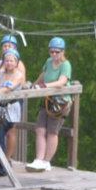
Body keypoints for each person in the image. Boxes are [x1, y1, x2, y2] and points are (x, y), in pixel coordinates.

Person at [28, 36, 73, 171]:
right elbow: (43, 74)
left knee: (52, 132)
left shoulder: (66, 65)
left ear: (63, 52)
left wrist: (44, 85)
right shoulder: (48, 62)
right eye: (52, 51)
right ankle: (39, 159)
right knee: (40, 129)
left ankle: (47, 161)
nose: (54, 54)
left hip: (60, 102)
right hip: (47, 99)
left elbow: (62, 82)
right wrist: (35, 84)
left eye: (57, 52)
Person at [0, 36, 27, 177]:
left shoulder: (18, 74)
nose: (9, 63)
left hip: (11, 109)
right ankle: (0, 167)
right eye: (7, 60)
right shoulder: (1, 72)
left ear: (16, 62)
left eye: (11, 60)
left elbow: (8, 89)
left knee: (0, 136)